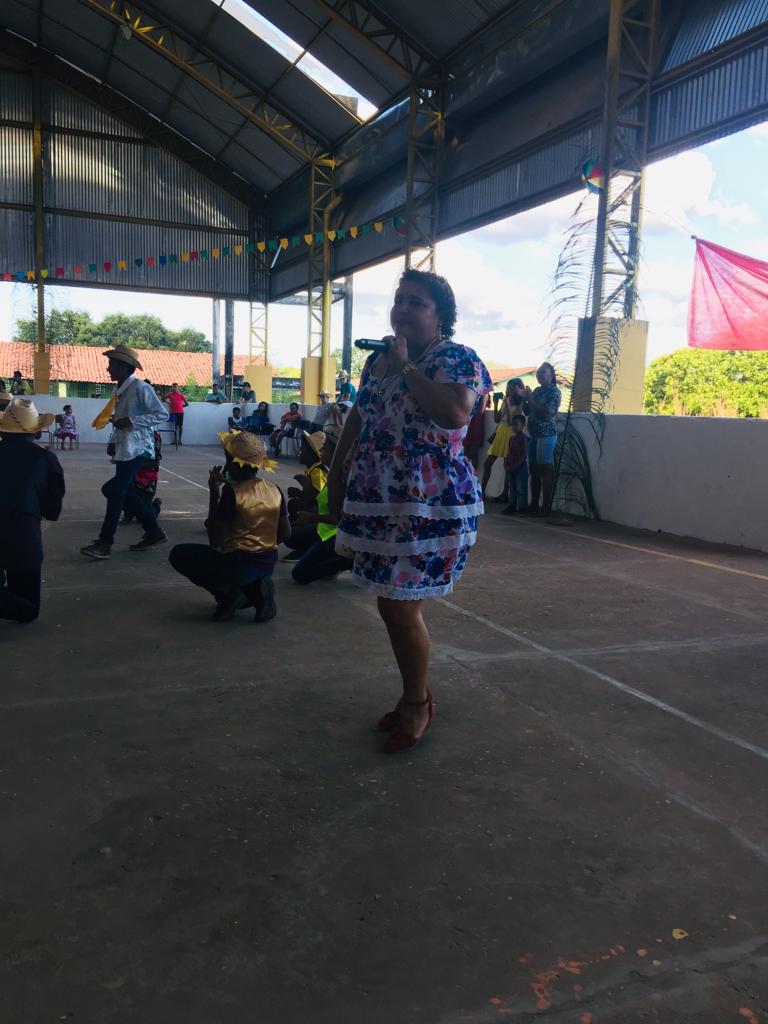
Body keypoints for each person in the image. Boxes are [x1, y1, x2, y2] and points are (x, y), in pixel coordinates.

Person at [327, 268, 492, 754]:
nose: (402, 309)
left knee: (399, 606)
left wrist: (406, 368)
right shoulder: (376, 362)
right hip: (379, 497)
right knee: (391, 603)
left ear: (440, 316)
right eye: (399, 299)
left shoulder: (457, 358)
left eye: (416, 302)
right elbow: (359, 416)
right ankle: (411, 697)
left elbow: (454, 414)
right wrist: (335, 473)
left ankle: (418, 703)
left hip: (431, 505)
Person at [168, 431, 290, 622]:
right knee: (235, 566)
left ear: (233, 463)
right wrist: (260, 546)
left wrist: (214, 494)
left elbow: (216, 540)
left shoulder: (231, 492)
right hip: (267, 565)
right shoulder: (274, 488)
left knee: (179, 554)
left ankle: (229, 594)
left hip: (240, 566)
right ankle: (255, 591)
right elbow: (285, 534)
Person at [80, 344, 169, 559]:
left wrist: (132, 421)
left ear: (124, 367)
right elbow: (119, 420)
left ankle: (105, 542)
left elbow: (162, 414)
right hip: (125, 447)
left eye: (111, 365)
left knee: (116, 491)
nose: (108, 369)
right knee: (116, 490)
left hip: (138, 448)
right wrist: (113, 440)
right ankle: (153, 530)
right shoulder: (119, 390)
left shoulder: (140, 388)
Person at [0, 398, 65, 622]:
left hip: (18, 533)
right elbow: (52, 511)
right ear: (36, 433)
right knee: (27, 609)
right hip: (22, 536)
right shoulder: (46, 460)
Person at [284, 426, 353, 584]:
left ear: (336, 453)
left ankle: (347, 560)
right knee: (289, 534)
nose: (321, 450)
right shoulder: (332, 474)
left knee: (300, 574)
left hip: (336, 535)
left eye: (325, 447)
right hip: (323, 530)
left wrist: (311, 517)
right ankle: (315, 550)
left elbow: (336, 519)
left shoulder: (340, 480)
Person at [523, 362, 562, 516]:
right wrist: (525, 399)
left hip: (546, 434)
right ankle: (534, 504)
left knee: (545, 469)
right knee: (533, 470)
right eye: (539, 372)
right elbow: (527, 411)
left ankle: (545, 507)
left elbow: (547, 414)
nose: (540, 374)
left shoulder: (555, 392)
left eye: (543, 372)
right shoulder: (537, 391)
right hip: (533, 434)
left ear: (551, 375)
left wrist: (530, 399)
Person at [480, 378, 525, 499]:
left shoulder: (519, 405)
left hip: (510, 435)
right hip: (500, 433)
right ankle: (482, 491)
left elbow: (511, 422)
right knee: (488, 463)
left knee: (507, 465)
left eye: (511, 388)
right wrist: (496, 404)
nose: (508, 390)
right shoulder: (506, 401)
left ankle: (505, 494)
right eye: (507, 388)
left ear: (517, 389)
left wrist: (508, 404)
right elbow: (496, 419)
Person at [121, 431, 162, 525]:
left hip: (147, 480)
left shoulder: (154, 436)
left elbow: (155, 463)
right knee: (116, 489)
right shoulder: (127, 432)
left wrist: (132, 463)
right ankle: (128, 512)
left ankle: (155, 505)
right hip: (130, 477)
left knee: (145, 517)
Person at [501, 414, 528, 515]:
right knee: (512, 488)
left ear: (523, 425)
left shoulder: (524, 438)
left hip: (520, 468)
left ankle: (522, 508)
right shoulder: (511, 438)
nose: (514, 427)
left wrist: (517, 464)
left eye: (516, 425)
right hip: (511, 467)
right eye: (512, 425)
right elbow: (509, 452)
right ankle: (512, 505)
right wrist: (506, 463)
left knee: (521, 488)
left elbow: (524, 453)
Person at [463, 392, 489, 471]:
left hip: (476, 423)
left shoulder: (484, 393)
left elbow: (481, 410)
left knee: (474, 452)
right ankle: (466, 472)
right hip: (469, 422)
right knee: (466, 452)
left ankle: (473, 473)